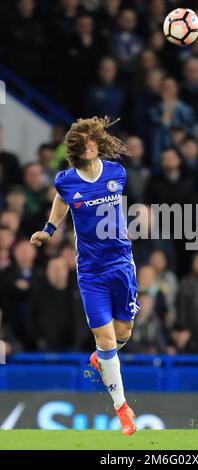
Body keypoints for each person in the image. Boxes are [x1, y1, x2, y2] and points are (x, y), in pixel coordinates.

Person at [30, 116, 139, 435]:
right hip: (90, 271)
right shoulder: (65, 180)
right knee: (106, 339)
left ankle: (101, 358)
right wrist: (49, 229)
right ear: (79, 149)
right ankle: (122, 408)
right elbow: (62, 200)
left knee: (124, 332)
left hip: (121, 264)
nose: (90, 143)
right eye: (85, 141)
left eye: (93, 138)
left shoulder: (117, 173)